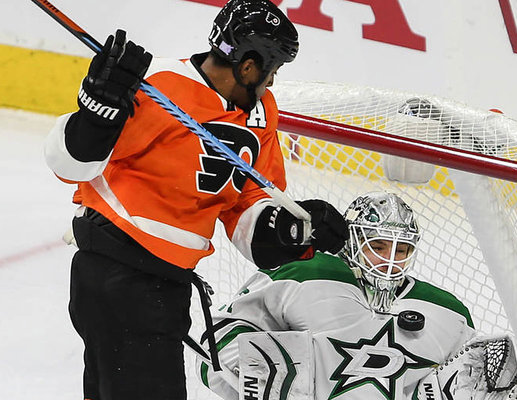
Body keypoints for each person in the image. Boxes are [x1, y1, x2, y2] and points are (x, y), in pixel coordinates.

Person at [44, 1, 348, 399]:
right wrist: (96, 114)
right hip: (116, 271)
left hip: (165, 284)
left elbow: (250, 201)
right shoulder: (160, 86)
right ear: (249, 66)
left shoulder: (261, 114)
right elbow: (70, 165)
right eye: (273, 69)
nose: (272, 82)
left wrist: (292, 228)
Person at [196, 191, 481, 399]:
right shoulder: (306, 274)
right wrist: (259, 373)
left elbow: (473, 378)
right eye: (378, 247)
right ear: (352, 242)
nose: (390, 261)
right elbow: (215, 345)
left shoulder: (447, 312)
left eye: (401, 250)